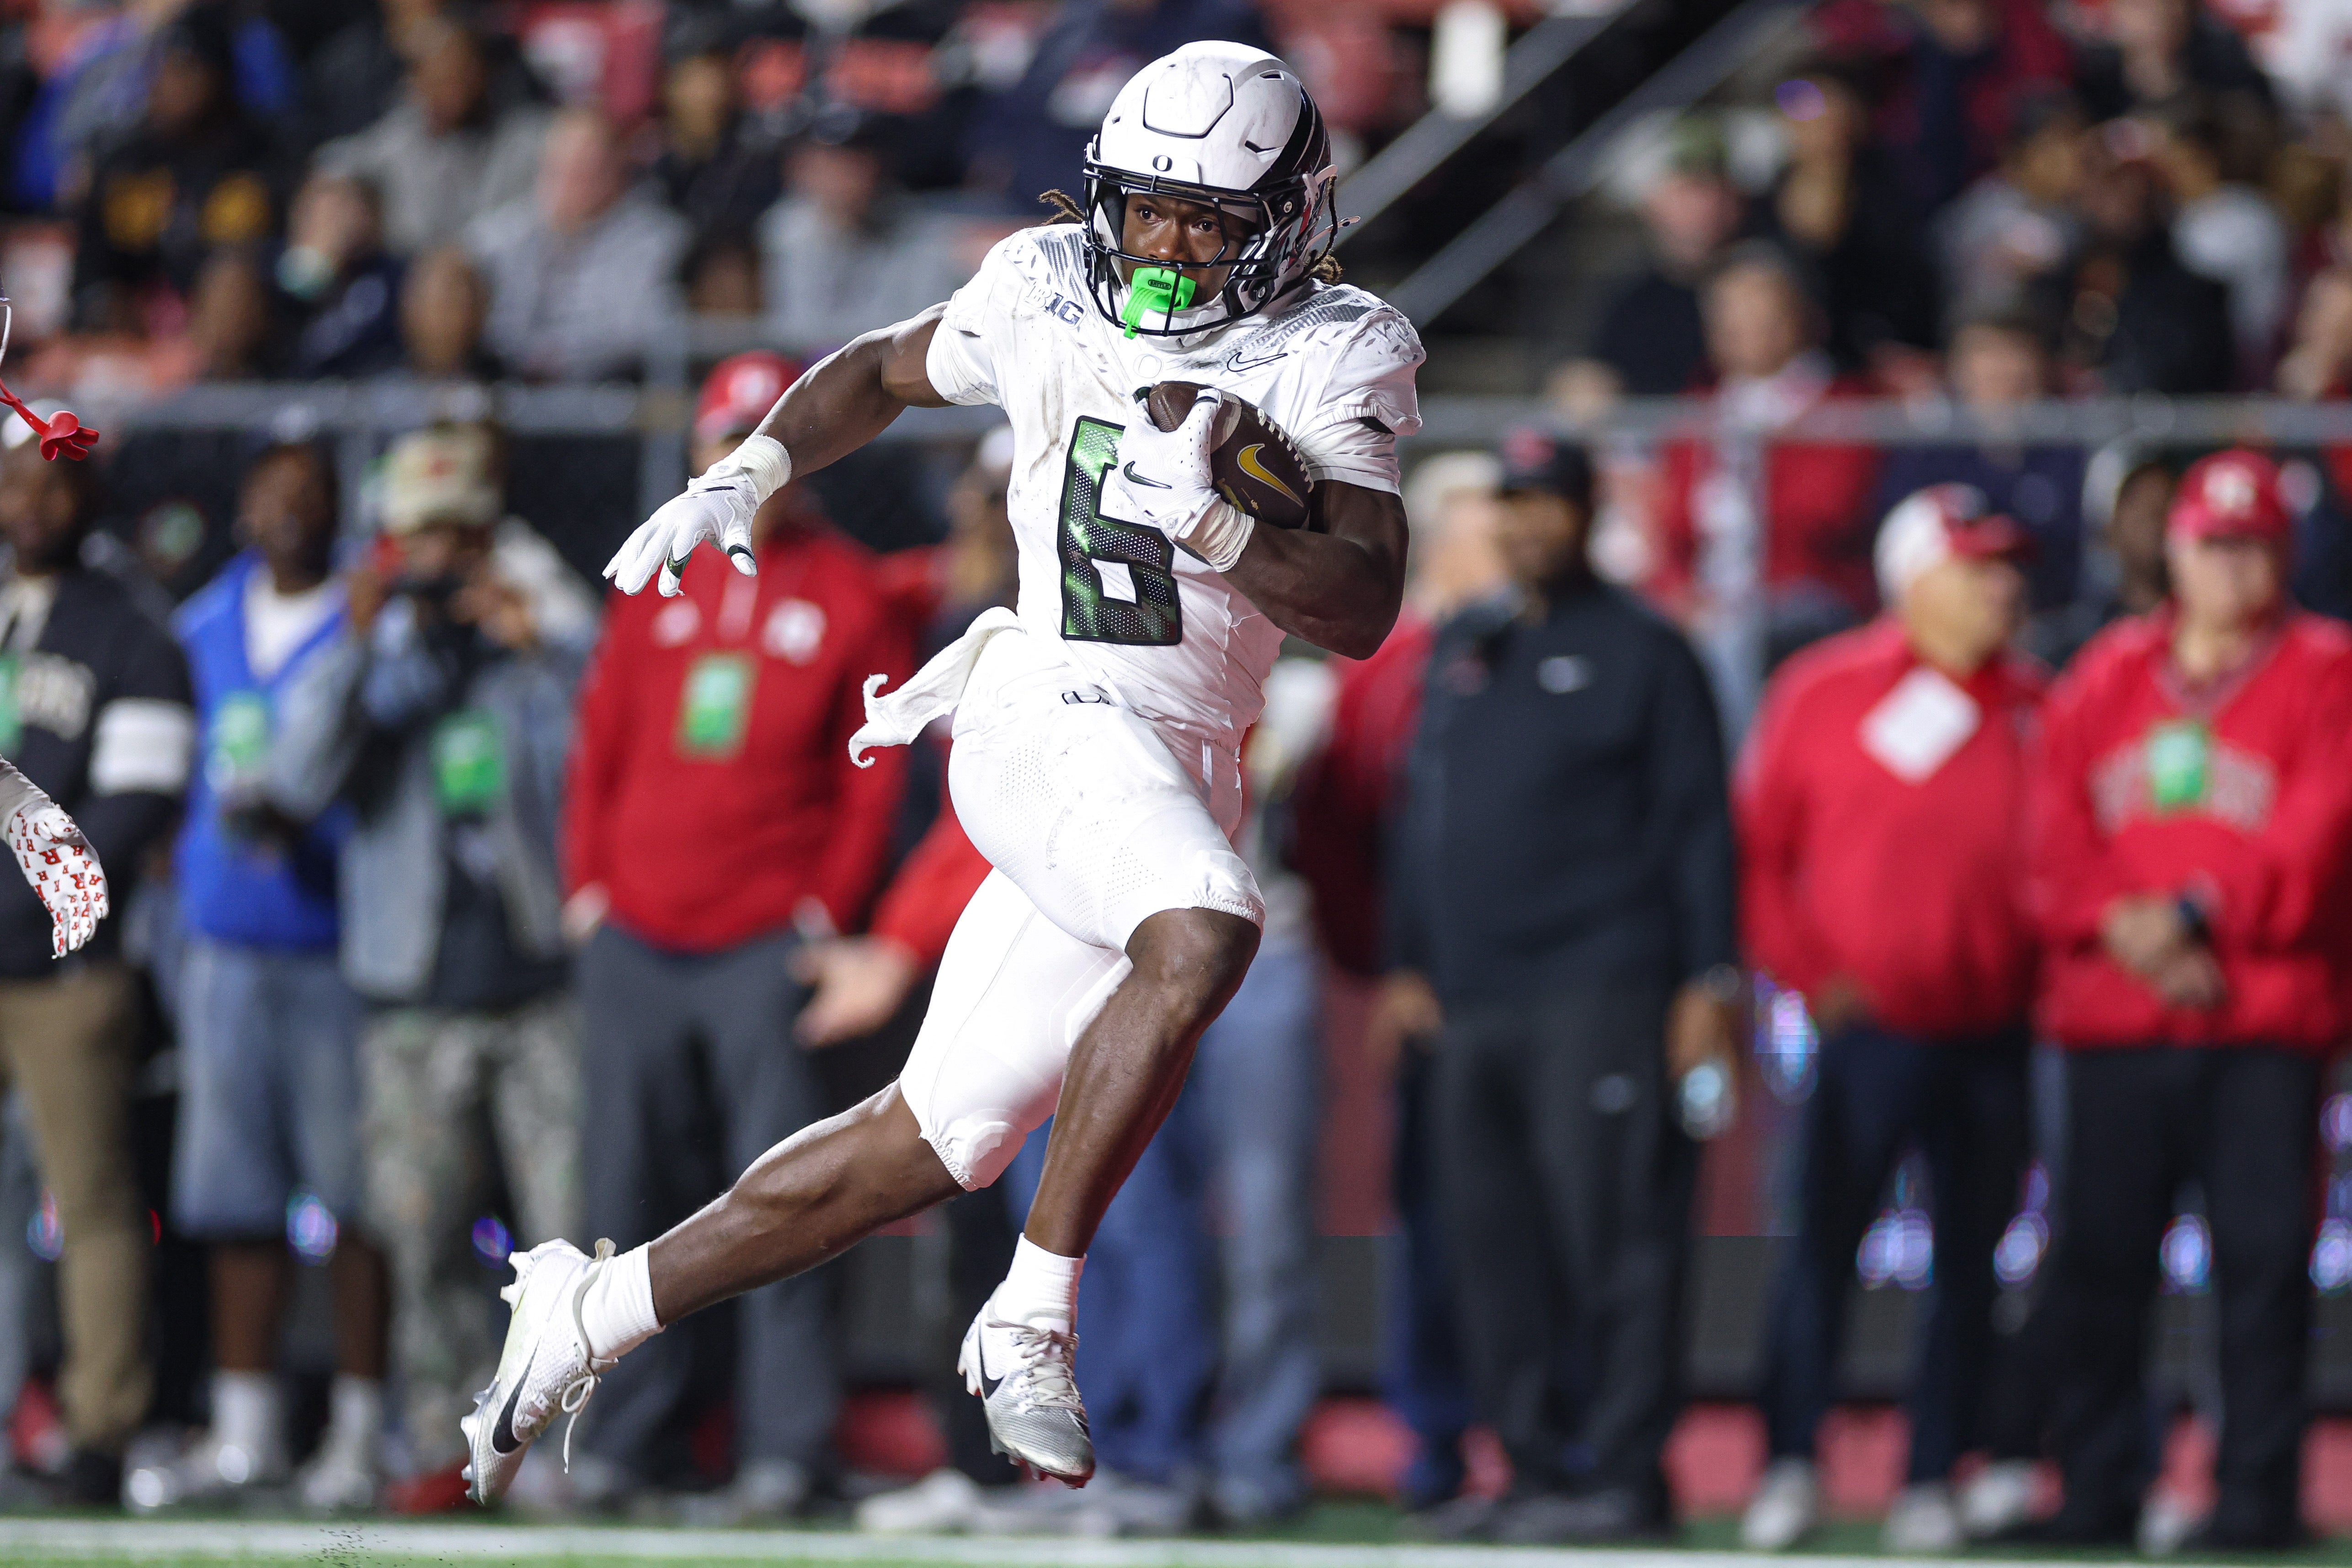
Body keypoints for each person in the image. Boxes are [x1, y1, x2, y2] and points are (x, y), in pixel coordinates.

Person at [462, 41, 1423, 1505]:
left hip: (1179, 752)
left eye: (1205, 218)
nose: (1165, 244)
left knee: (934, 1140)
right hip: (1045, 707)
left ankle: (589, 1312)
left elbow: (1358, 608)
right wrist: (750, 472)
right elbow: (876, 371)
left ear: (1288, 218)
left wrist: (1227, 529)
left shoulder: (1340, 344)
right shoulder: (1044, 283)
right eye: (1144, 208)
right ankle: (1030, 1316)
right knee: (1209, 920)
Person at [557, 353, 912, 1520]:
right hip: (641, 934)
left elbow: (873, 775)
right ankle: (626, 1443)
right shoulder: (658, 571)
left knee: (784, 1198)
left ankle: (786, 1445)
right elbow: (600, 734)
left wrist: (826, 911)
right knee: (625, 1198)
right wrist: (587, 884)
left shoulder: (851, 593)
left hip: (768, 938)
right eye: (723, 439)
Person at [1387, 431, 1737, 1545]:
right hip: (1473, 996)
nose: (1531, 523)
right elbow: (1425, 820)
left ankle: (1629, 1477)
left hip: (1606, 984)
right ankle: (1533, 1468)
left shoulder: (1648, 652)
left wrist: (1707, 980)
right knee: (1495, 1245)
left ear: (1592, 517)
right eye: (1515, 503)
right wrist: (1408, 959)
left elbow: (1700, 831)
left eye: (1551, 504)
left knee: (1618, 1236)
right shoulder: (1464, 649)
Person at [2023, 449, 2352, 1550]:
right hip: (2117, 1020)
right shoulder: (2108, 673)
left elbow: (2319, 834)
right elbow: (2051, 830)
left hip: (2262, 1019)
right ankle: (2094, 1488)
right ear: (2174, 550)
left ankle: (2256, 1498)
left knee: (2262, 1268)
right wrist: (2136, 928)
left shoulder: (2325, 670)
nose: (2229, 567)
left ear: (2282, 553)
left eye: (2251, 545)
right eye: (2212, 545)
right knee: (2097, 1262)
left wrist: (2197, 915)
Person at [272, 423, 596, 1508]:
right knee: (419, 1237)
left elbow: (598, 760)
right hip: (410, 994)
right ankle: (443, 1441)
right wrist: (357, 645)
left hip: (535, 981)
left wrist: (537, 650)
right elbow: (292, 774)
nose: (443, 558)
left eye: (461, 536)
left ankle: (558, 1454)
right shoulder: (370, 651)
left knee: (567, 1244)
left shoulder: (531, 641)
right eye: (423, 539)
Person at [1733, 483, 2044, 1554]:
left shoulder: (2039, 703)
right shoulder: (1823, 693)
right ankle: (1787, 1462)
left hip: (1997, 1029)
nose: (2004, 588)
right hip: (1866, 1029)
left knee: (1971, 1263)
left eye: (2008, 567)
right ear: (1916, 579)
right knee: (1823, 1250)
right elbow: (1763, 853)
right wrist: (1809, 972)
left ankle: (1933, 1471)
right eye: (1979, 567)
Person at [130, 442, 389, 1514]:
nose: (290, 510)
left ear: (337, 511)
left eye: (312, 492)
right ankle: (248, 1435)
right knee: (233, 1202)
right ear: (245, 509)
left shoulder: (369, 626)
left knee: (355, 1205)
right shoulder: (194, 632)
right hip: (224, 953)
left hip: (336, 952)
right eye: (274, 491)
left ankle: (363, 1436)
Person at [0, 432, 192, 1504]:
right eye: (15, 478)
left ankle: (99, 1431)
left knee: (94, 1204)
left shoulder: (132, 633)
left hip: (65, 969)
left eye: (53, 479)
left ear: (88, 494)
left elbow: (130, 813)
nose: (31, 500)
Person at [1650, 244, 1883, 702]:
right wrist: (1677, 591)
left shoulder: (1843, 406)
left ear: (1801, 317)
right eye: (1729, 314)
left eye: (1761, 311)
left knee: (1735, 638)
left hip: (1806, 594)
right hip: (1709, 599)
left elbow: (1822, 518)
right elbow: (1671, 526)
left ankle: (1742, 773)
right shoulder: (1701, 410)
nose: (1743, 327)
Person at [70, 9, 277, 334]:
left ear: (218, 76)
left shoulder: (259, 157)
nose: (169, 85)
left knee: (232, 283)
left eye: (186, 70)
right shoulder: (126, 162)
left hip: (231, 334)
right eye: (162, 70)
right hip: (138, 329)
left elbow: (275, 265)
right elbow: (93, 268)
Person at [1873, 313, 2086, 613]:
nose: (2002, 370)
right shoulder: (1926, 453)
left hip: (2054, 616)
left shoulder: (2075, 452)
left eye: (2015, 352)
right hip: (1947, 615)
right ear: (1957, 369)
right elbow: (1901, 549)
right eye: (1986, 353)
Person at [464, 108, 689, 382]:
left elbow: (639, 331)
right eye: (560, 168)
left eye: (586, 170)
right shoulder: (493, 239)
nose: (569, 183)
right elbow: (488, 326)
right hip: (506, 384)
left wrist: (556, 356)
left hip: (612, 392)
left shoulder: (657, 241)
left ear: (616, 172)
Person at [313, 19, 551, 259]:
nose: (455, 90)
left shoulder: (523, 138)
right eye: (442, 75)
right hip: (409, 276)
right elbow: (335, 162)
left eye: (464, 73)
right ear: (417, 82)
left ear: (484, 76)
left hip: (497, 274)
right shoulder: (400, 137)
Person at [1560, 118, 1747, 403]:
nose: (1706, 205)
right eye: (1688, 190)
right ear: (1651, 203)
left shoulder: (1775, 281)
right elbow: (1590, 378)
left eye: (1717, 188)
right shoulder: (1629, 300)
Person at [758, 114, 974, 352]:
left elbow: (916, 343)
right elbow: (794, 334)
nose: (843, 178)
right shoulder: (784, 231)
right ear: (801, 169)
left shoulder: (923, 236)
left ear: (880, 168)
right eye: (830, 163)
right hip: (806, 372)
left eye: (856, 163)